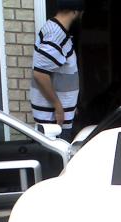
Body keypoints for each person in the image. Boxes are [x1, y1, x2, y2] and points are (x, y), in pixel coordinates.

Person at [30, 0, 84, 142]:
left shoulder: (53, 29)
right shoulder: (56, 35)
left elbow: (59, 73)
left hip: (56, 117)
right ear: (75, 11)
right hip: (54, 122)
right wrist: (58, 107)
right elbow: (40, 74)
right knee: (57, 163)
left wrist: (70, 106)